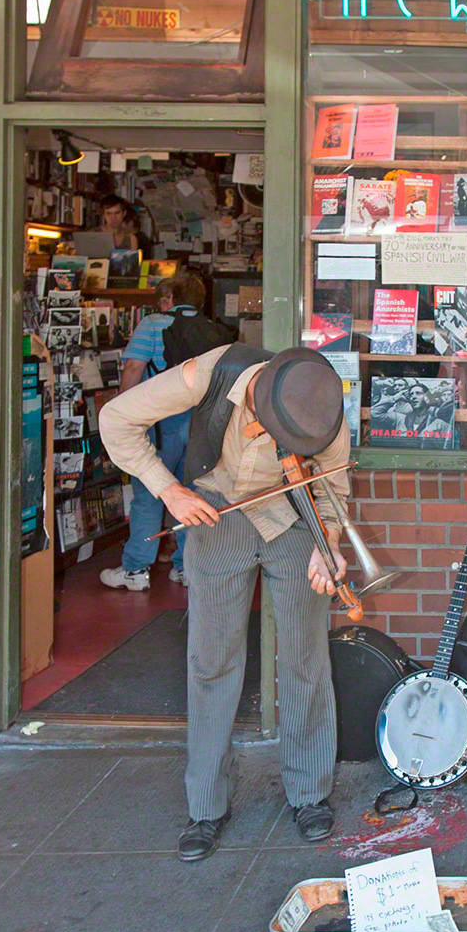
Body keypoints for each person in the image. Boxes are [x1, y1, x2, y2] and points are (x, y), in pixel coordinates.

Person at [99, 344, 351, 859]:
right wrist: (169, 492)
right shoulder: (209, 375)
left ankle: (310, 793)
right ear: (255, 404)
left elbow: (331, 489)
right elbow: (115, 418)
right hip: (214, 513)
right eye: (267, 430)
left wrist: (329, 547)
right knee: (212, 660)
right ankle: (206, 806)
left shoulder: (322, 402)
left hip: (294, 518)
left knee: (304, 657)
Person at [99, 275, 205, 591]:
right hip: (199, 424)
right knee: (191, 494)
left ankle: (135, 569)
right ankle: (186, 568)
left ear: (170, 298)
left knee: (150, 494)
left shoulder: (151, 324)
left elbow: (133, 368)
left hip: (160, 423)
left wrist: (122, 410)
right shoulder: (210, 327)